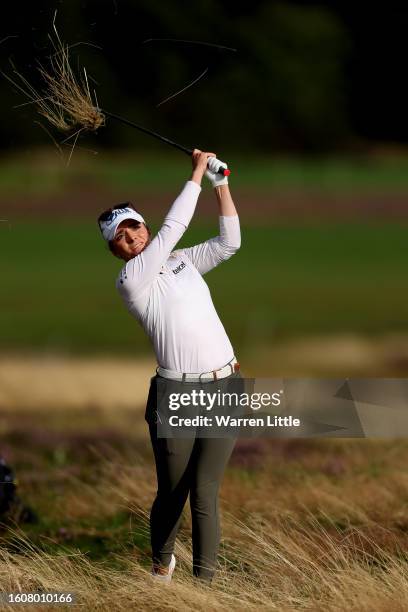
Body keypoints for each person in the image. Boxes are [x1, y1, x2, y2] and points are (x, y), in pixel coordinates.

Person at [97, 150, 241, 583]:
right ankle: (162, 563)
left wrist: (221, 184)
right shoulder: (132, 281)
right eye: (120, 237)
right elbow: (172, 227)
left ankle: (206, 589)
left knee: (206, 494)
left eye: (134, 228)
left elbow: (229, 243)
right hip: (175, 395)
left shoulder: (181, 261)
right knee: (173, 492)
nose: (132, 238)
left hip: (225, 385)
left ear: (142, 226)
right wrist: (197, 170)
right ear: (114, 250)